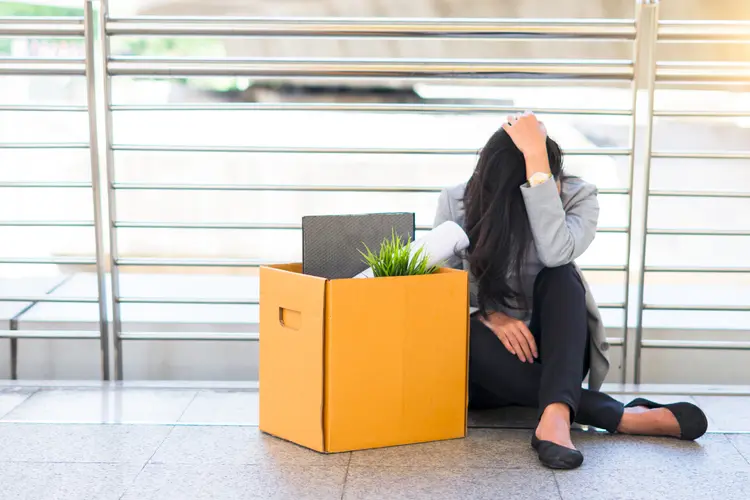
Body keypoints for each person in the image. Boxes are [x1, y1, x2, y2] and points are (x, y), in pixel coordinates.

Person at [433, 111, 707, 470]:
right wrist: (489, 316)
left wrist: (539, 176)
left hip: (557, 357)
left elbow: (554, 252)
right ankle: (614, 416)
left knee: (561, 276)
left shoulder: (578, 196)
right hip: (487, 364)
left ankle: (555, 418)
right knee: (466, 334)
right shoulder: (458, 200)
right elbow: (439, 292)